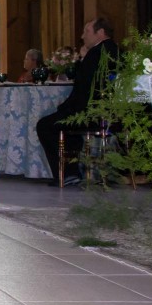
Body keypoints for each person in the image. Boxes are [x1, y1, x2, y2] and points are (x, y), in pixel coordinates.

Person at [36, 18, 118, 186]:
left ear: (100, 32)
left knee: (45, 125)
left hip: (90, 113)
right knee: (63, 124)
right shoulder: (117, 51)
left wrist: (64, 108)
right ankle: (74, 171)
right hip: (111, 112)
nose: (82, 36)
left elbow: (83, 88)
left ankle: (67, 173)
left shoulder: (96, 53)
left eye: (86, 31)